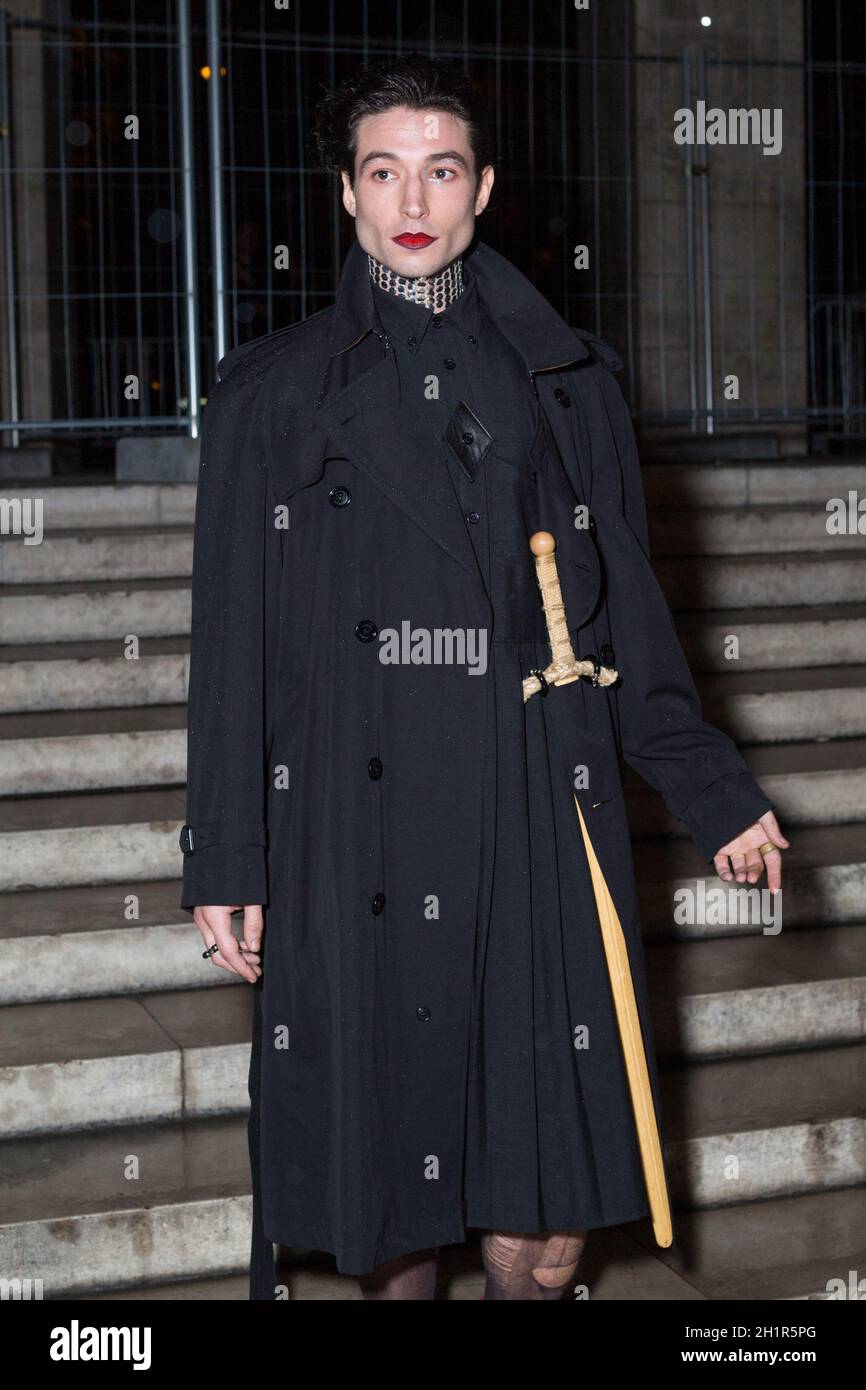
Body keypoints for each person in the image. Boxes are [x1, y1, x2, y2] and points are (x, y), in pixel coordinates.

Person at [179, 54, 788, 1301]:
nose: (413, 197)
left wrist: (710, 787)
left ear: (483, 189)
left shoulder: (565, 382)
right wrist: (225, 856)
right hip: (354, 824)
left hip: (531, 804)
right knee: (393, 1216)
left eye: (440, 169)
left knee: (545, 1210)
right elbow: (229, 647)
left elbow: (625, 604)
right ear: (344, 195)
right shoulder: (270, 393)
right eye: (383, 169)